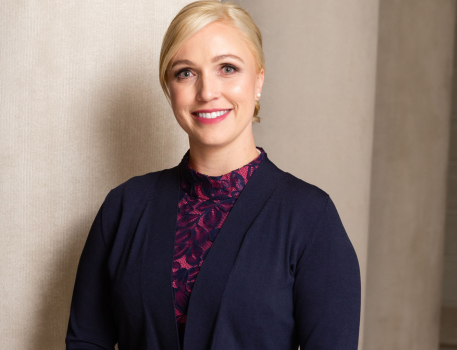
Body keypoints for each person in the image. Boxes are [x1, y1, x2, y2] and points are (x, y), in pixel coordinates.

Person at [65, 1, 361, 349]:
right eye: (185, 72)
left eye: (228, 68)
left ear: (258, 80)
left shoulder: (310, 217)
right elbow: (86, 341)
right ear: (169, 88)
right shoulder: (124, 208)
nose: (207, 92)